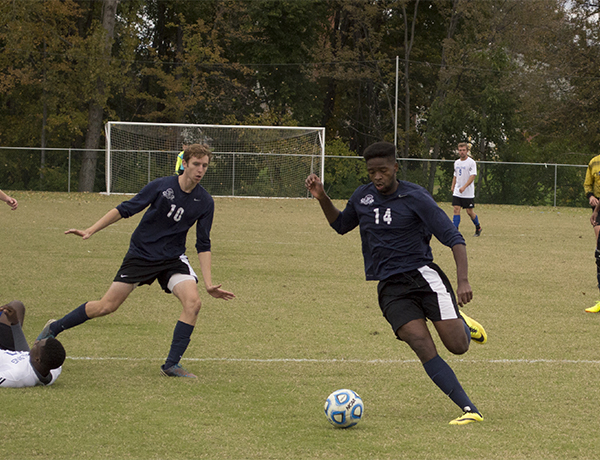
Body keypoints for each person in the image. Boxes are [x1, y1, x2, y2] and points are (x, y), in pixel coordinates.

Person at [305, 141, 487, 425]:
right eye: (371, 171)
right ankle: (469, 409)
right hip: (391, 288)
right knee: (421, 343)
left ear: (395, 168)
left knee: (458, 346)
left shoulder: (416, 197)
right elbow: (341, 226)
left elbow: (454, 239)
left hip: (424, 277)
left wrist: (463, 281)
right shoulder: (362, 197)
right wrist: (322, 198)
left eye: (383, 170)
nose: (377, 176)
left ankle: (461, 321)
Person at [37, 144, 235, 378]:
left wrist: (209, 283)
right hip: (142, 254)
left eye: (204, 166)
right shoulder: (161, 186)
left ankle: (171, 365)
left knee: (193, 303)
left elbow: (203, 243)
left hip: (172, 259)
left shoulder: (205, 202)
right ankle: (54, 327)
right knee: (106, 306)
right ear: (184, 164)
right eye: (196, 164)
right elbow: (125, 209)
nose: (200, 169)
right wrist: (91, 230)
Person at [0, 301, 65, 388]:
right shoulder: (54, 368)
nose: (36, 342)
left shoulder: (16, 377)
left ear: (37, 359)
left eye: (37, 345)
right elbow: (24, 352)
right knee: (16, 306)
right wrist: (15, 323)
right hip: (8, 350)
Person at [451, 143, 482, 236]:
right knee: (456, 209)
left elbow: (473, 176)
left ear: (467, 151)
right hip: (457, 191)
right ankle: (455, 231)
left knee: (469, 211)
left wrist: (464, 187)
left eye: (464, 150)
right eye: (460, 150)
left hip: (467, 192)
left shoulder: (471, 162)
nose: (462, 152)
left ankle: (478, 227)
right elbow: (455, 175)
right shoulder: (456, 162)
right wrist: (453, 186)